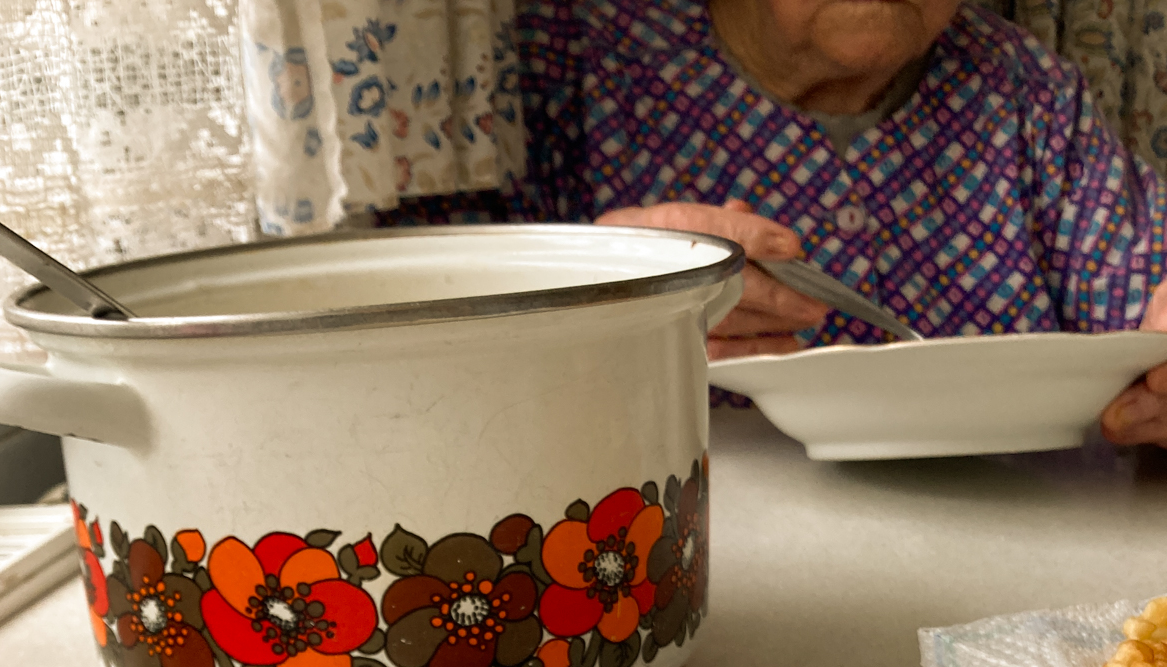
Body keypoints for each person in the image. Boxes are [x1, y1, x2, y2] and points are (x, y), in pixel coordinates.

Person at [393, 1, 1167, 446]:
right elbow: (413, 361)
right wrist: (593, 290)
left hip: (1011, 569)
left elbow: (1147, 288)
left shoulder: (1019, 86)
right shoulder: (564, 62)